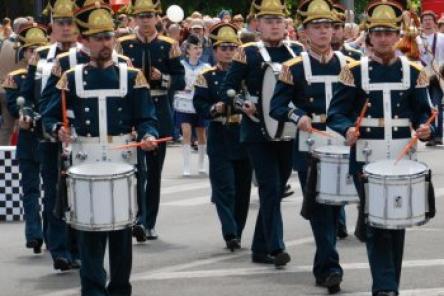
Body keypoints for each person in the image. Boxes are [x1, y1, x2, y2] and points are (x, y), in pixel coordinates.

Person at [42, 4, 158, 295]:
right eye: (98, 38)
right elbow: (49, 116)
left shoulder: (132, 77)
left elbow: (147, 118)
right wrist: (58, 129)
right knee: (89, 235)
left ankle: (120, 289)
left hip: (122, 157)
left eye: (108, 37)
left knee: (121, 236)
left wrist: (148, 135)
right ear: (85, 42)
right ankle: (92, 291)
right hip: (85, 159)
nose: (105, 43)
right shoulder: (71, 77)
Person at [327, 1, 434, 295]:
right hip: (366, 157)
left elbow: (425, 113)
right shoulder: (353, 72)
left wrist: (426, 128)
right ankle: (384, 287)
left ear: (398, 35)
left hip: (402, 157)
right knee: (376, 222)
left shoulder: (414, 71)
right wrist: (346, 128)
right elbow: (336, 112)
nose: (384, 38)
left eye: (389, 32)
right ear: (369, 36)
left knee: (396, 223)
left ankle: (389, 285)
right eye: (378, 33)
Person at [270, 0, 355, 292]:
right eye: (316, 27)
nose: (323, 32)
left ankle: (326, 264)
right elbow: (277, 106)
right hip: (311, 142)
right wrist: (298, 116)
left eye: (328, 26)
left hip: (345, 140)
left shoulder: (351, 63)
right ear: (304, 32)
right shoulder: (292, 67)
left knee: (336, 206)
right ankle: (330, 267)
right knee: (321, 208)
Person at [221, 0, 303, 268]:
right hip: (256, 129)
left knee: (276, 190)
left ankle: (259, 247)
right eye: (269, 21)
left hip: (287, 129)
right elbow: (228, 89)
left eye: (279, 21)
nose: (275, 25)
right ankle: (276, 246)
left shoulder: (297, 51)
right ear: (257, 24)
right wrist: (242, 102)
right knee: (269, 187)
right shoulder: (248, 53)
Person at [117, 0, 185, 241]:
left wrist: (163, 78)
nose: (145, 20)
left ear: (157, 18)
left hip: (159, 111)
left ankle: (149, 221)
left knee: (154, 172)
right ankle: (136, 217)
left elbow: (181, 80)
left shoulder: (169, 45)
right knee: (136, 172)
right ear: (134, 19)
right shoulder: (123, 45)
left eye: (149, 16)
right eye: (141, 16)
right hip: (132, 111)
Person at [22, 0, 79, 271]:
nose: (66, 28)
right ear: (52, 26)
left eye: (70, 23)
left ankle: (78, 247)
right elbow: (28, 94)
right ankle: (59, 250)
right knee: (54, 192)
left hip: (80, 136)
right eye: (61, 23)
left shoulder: (86, 53)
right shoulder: (40, 55)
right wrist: (30, 116)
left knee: (79, 194)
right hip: (47, 136)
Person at [194, 22, 253, 251]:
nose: (228, 51)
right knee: (224, 188)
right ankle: (229, 232)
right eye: (223, 48)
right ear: (215, 50)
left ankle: (238, 230)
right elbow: (199, 104)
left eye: (232, 47)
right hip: (220, 133)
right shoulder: (206, 76)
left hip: (243, 133)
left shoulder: (246, 75)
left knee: (242, 189)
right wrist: (213, 109)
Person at [3, 23, 48, 255]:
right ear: (24, 52)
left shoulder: (53, 73)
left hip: (49, 137)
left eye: (40, 49)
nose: (35, 54)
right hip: (28, 139)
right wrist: (22, 116)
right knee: (30, 190)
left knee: (52, 191)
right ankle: (33, 235)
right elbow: (12, 105)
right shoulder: (15, 77)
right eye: (31, 50)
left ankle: (53, 235)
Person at [330, 0, 363, 240]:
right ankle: (338, 221)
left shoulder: (355, 58)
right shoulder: (306, 58)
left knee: (355, 174)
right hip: (323, 125)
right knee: (333, 176)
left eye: (337, 26)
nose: (333, 31)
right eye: (329, 26)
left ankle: (363, 220)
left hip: (349, 123)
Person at [175, 34, 210, 176]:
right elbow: (176, 83)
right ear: (188, 50)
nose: (198, 50)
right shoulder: (181, 66)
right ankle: (186, 166)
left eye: (200, 47)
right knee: (187, 132)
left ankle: (201, 164)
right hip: (184, 104)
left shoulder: (206, 67)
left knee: (201, 133)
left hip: (200, 104)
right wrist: (182, 87)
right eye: (195, 48)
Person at [417, 10, 444, 146]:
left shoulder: (441, 38)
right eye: (425, 19)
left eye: (430, 19)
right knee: (425, 105)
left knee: (437, 104)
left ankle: (438, 135)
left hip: (437, 75)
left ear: (434, 22)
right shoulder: (416, 39)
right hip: (421, 76)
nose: (427, 22)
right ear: (421, 23)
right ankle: (430, 134)